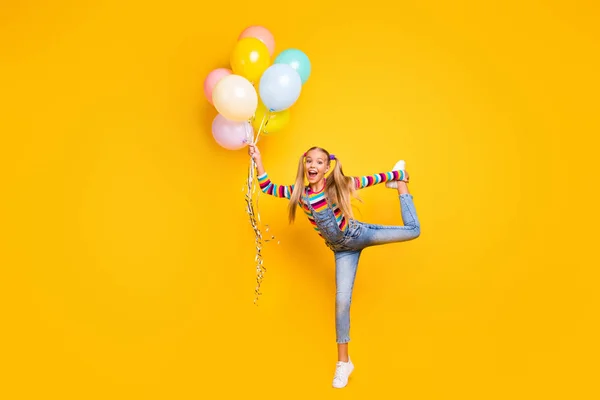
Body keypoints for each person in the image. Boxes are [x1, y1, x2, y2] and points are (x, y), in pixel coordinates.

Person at [248, 144, 421, 389]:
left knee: (414, 231)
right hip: (342, 251)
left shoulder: (336, 186)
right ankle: (344, 363)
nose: (313, 166)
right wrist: (258, 159)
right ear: (304, 165)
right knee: (341, 302)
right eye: (309, 161)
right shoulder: (300, 193)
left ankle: (401, 184)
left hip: (359, 234)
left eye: (319, 162)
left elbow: (370, 179)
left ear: (327, 168)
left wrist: (396, 175)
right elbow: (267, 187)